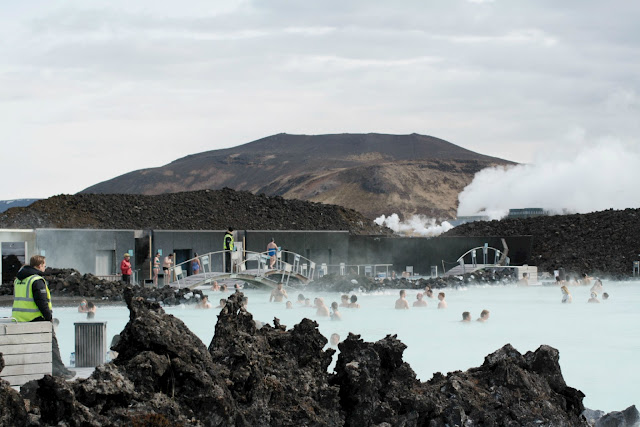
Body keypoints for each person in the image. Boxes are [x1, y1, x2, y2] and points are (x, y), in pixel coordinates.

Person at [12, 255, 75, 379]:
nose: (45, 267)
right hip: (36, 318)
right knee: (52, 344)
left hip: (20, 318)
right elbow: (41, 301)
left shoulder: (18, 279)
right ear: (40, 265)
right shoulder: (36, 280)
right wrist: (49, 317)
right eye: (44, 264)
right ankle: (59, 370)